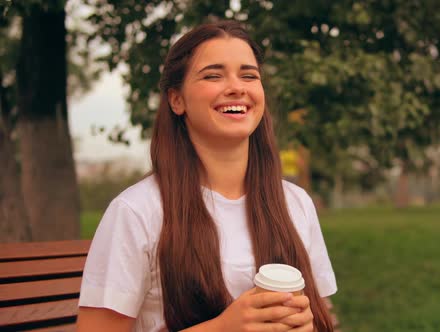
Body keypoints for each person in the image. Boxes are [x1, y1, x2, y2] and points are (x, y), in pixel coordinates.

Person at [76, 20, 337, 332]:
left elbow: (324, 319)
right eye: (213, 75)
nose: (237, 87)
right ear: (177, 100)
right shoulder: (136, 212)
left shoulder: (295, 203)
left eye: (249, 75)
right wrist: (223, 328)